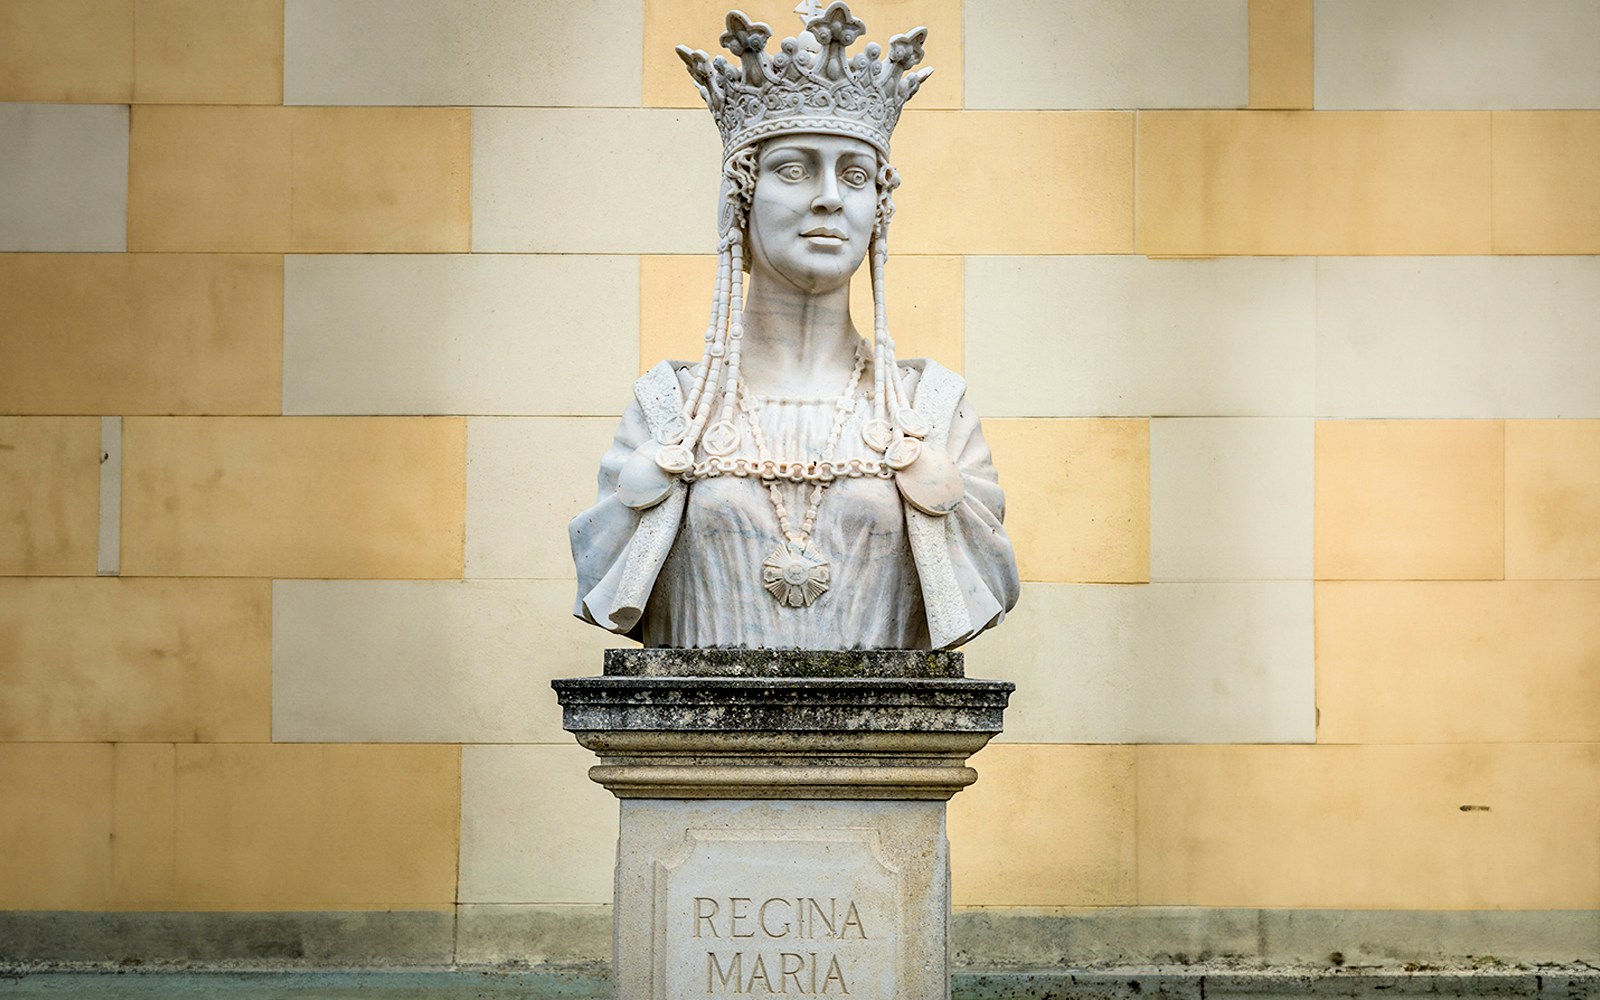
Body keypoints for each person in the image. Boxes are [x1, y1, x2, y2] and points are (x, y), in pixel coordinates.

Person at [570, 2, 1018, 650]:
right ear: (741, 200)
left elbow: (988, 574)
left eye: (855, 175)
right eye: (794, 168)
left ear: (878, 211)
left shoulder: (936, 413)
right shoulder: (666, 414)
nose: (830, 195)